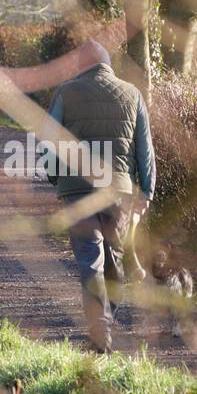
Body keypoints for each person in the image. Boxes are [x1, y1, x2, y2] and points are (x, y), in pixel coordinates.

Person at [42, 41, 155, 352]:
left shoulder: (66, 92)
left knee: (90, 261)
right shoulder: (132, 93)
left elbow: (47, 143)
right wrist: (147, 190)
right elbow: (145, 149)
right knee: (114, 262)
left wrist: (55, 176)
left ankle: (100, 332)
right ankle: (103, 328)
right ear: (108, 64)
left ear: (81, 66)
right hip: (118, 192)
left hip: (78, 191)